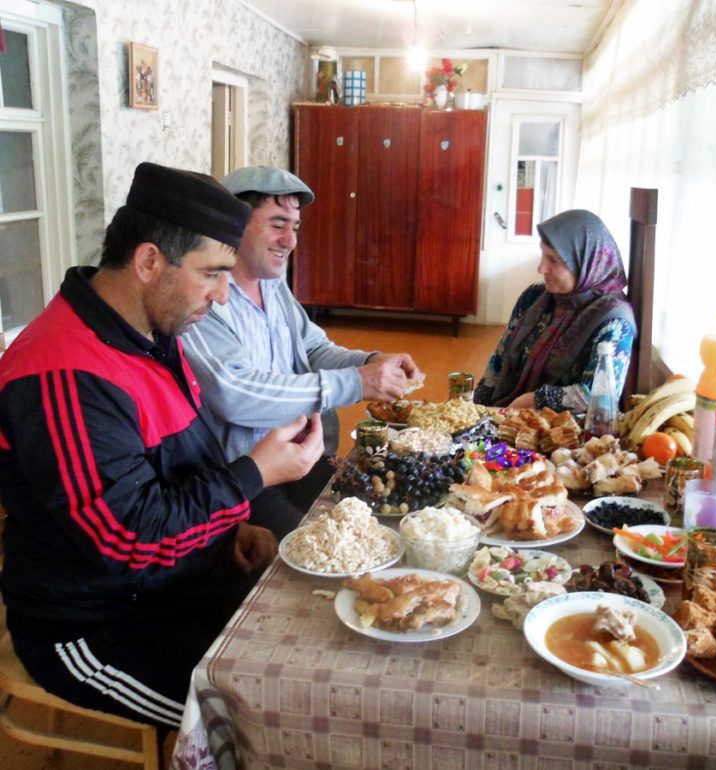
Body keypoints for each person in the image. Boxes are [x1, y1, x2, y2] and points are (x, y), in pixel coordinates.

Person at [0, 162, 324, 729]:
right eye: (212, 273)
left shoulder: (151, 330)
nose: (222, 296)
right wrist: (254, 474)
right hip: (98, 626)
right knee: (269, 720)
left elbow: (175, 468)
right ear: (149, 261)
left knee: (319, 645)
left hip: (176, 584)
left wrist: (226, 533)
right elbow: (129, 539)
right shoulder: (63, 371)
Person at [182, 166, 423, 536]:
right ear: (235, 225)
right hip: (246, 477)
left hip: (304, 455)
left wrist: (370, 362)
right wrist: (357, 382)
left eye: (295, 227)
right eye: (278, 224)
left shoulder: (272, 285)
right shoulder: (205, 297)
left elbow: (313, 347)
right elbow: (235, 392)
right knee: (321, 549)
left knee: (376, 521)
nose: (290, 241)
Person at [474, 209, 637, 411]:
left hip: (561, 427)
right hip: (506, 415)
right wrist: (475, 409)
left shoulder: (613, 321)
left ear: (586, 263)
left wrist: (536, 399)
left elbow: (600, 395)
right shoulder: (533, 298)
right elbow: (498, 362)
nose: (541, 268)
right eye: (543, 255)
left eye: (554, 260)